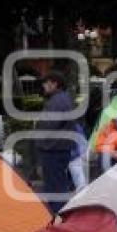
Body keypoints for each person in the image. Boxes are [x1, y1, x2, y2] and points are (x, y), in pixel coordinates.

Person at [35, 71, 78, 215]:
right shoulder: (60, 99)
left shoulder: (57, 101)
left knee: (54, 188)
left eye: (46, 82)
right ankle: (59, 216)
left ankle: (56, 218)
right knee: (58, 186)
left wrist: (38, 125)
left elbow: (49, 125)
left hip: (53, 150)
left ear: (54, 84)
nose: (44, 85)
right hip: (57, 148)